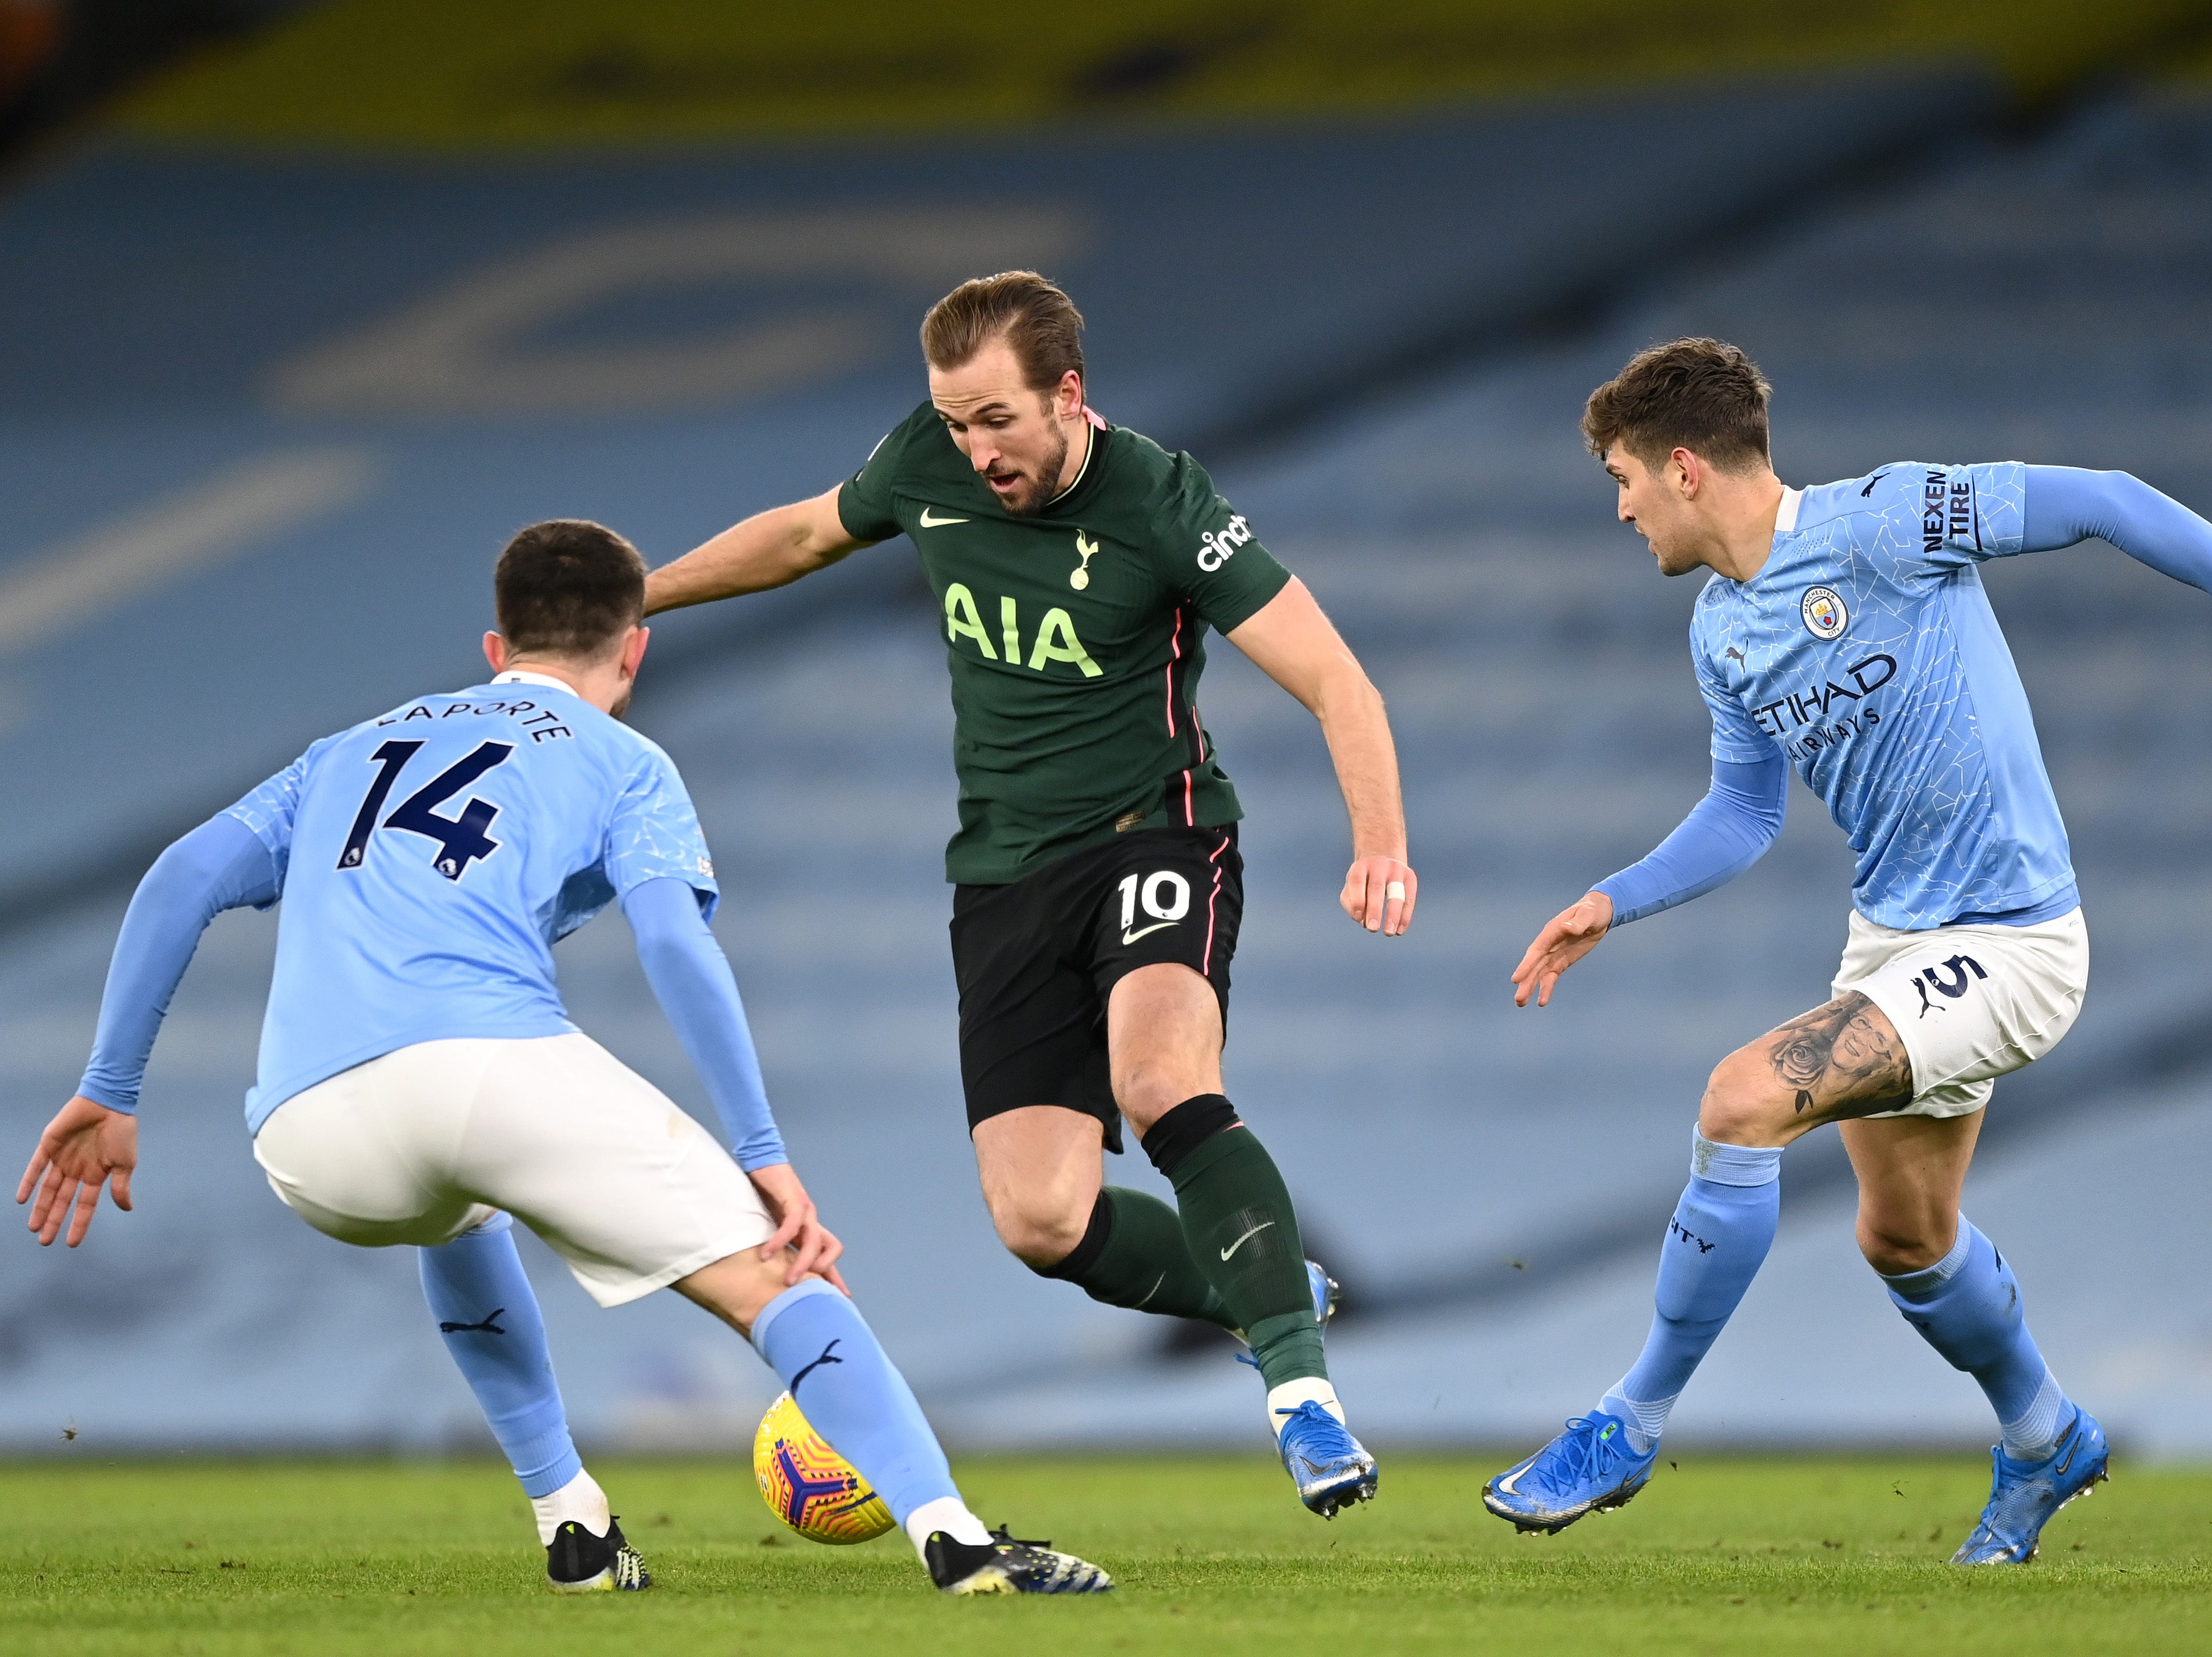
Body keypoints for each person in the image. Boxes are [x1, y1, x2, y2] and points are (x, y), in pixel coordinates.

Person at [16, 519, 1110, 1598]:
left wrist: (109, 1088)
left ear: (495, 649)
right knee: (778, 1275)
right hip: (488, 1066)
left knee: (461, 1207)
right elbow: (676, 943)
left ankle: (572, 1523)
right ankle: (956, 1542)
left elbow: (178, 878)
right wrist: (762, 1152)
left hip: (310, 1135)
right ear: (633, 648)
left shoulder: (345, 752)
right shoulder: (623, 759)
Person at [644, 271, 1415, 1518]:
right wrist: (645, 596)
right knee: (1041, 1219)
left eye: (995, 418)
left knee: (1160, 1078)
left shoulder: (1163, 501)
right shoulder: (925, 466)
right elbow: (799, 535)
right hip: (1003, 874)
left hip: (1154, 834)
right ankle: (1262, 1279)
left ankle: (1301, 1393)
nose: (973, 449)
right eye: (953, 422)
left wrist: (1377, 841)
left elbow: (1337, 680)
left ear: (1067, 393)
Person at [1485, 336, 2212, 1564]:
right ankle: (2044, 1435)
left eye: (1619, 477)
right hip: (1894, 945)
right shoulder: (1720, 630)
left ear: (1680, 467)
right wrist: (1616, 897)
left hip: (2012, 939)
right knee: (1904, 1237)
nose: (1616, 508)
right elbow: (1745, 812)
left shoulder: (1882, 519)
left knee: (1741, 1096)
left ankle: (1627, 1419)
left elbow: (2099, 498)